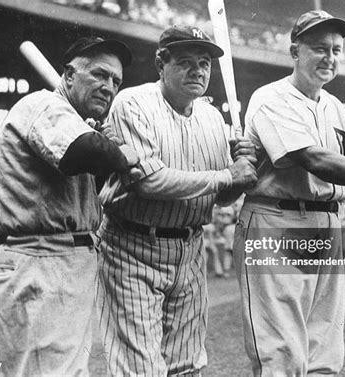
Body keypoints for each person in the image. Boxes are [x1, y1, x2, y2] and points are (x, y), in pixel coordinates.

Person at [233, 10, 345, 376]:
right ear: (294, 51)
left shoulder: (334, 107)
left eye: (335, 50)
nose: (329, 57)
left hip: (326, 223)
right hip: (276, 219)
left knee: (324, 351)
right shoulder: (272, 98)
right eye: (319, 48)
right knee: (282, 352)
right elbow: (313, 159)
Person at [96, 25, 257, 376]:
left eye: (204, 63)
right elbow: (149, 182)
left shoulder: (213, 118)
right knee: (140, 367)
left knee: (187, 364)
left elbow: (222, 196)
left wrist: (242, 169)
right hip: (132, 246)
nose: (198, 70)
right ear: (160, 63)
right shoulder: (132, 104)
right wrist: (229, 175)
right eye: (185, 62)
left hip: (190, 249)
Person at [0, 37, 140, 376]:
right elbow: (81, 152)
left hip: (58, 264)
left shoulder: (74, 120)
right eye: (99, 74)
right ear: (68, 76)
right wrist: (120, 153)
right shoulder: (43, 105)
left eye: (115, 81)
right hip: (39, 264)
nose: (108, 86)